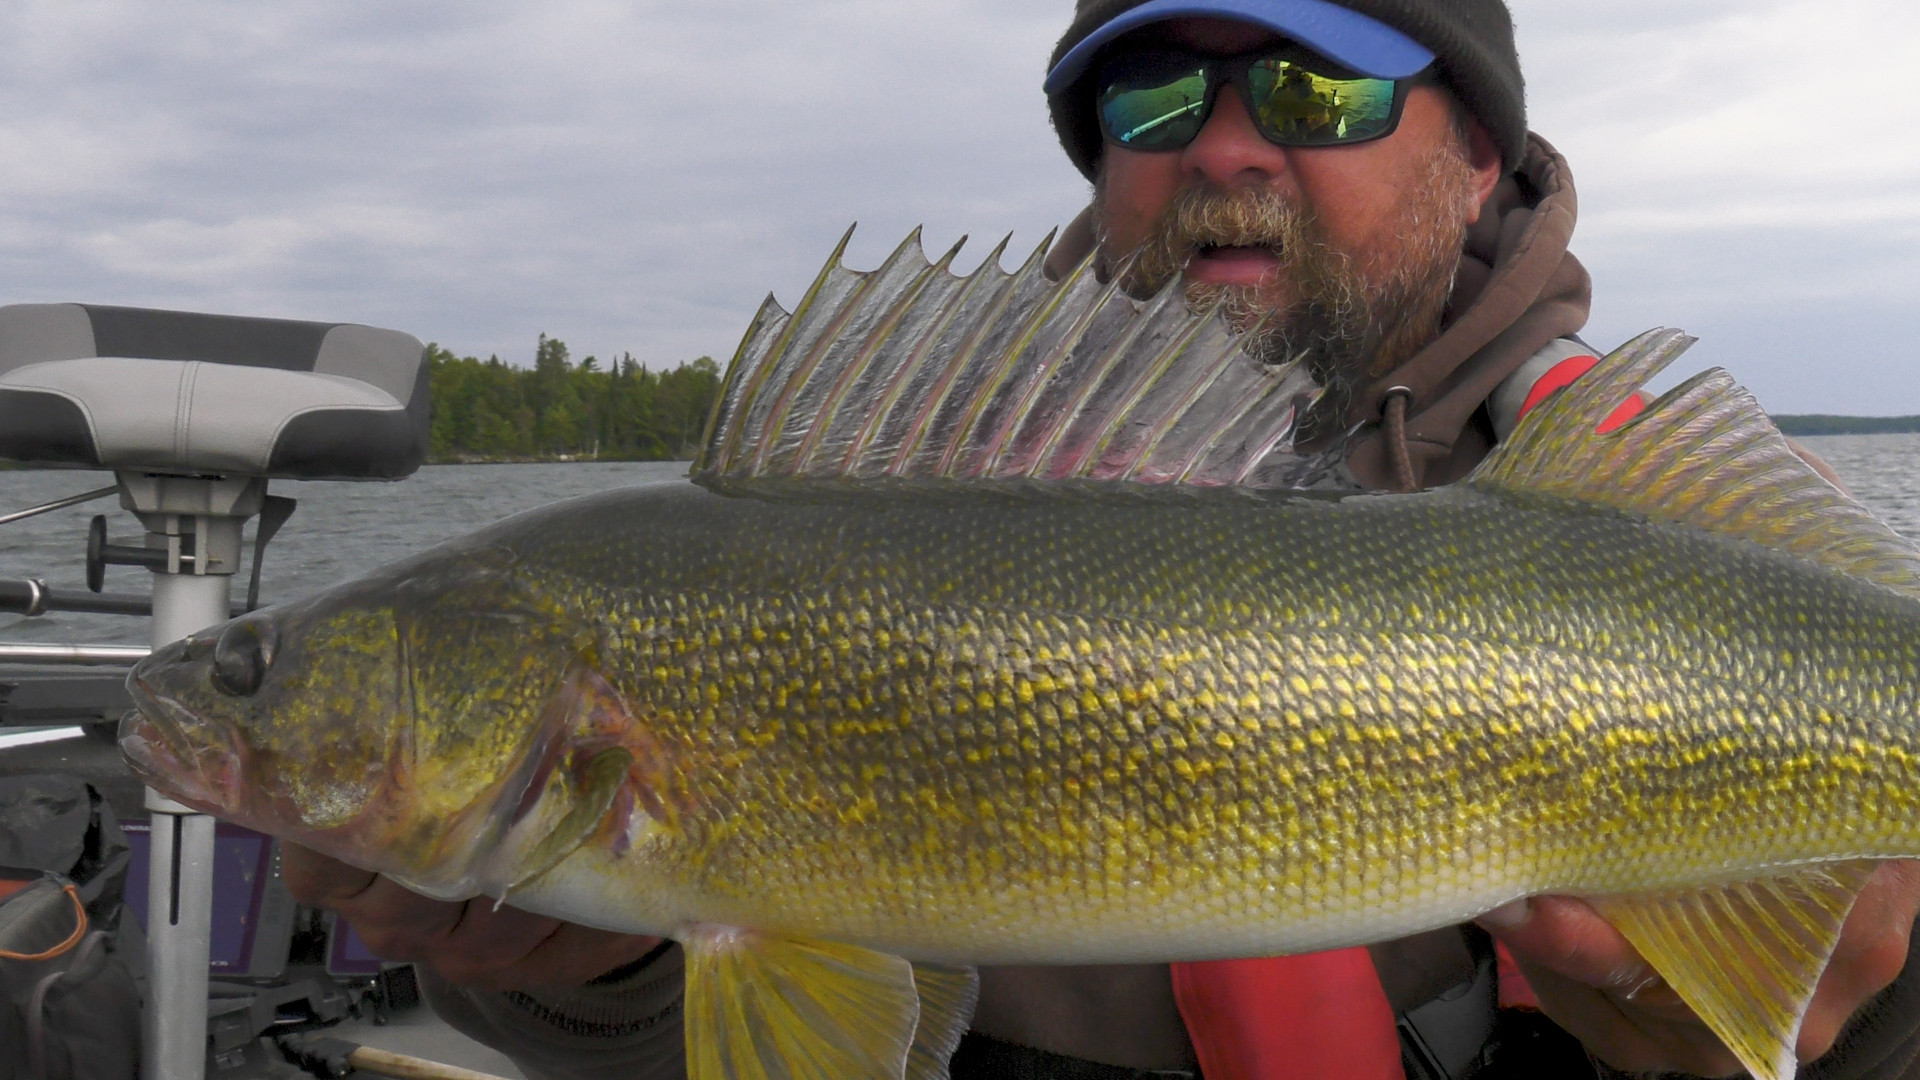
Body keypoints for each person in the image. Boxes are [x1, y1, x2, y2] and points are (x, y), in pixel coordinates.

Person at [284, 1, 1920, 1076]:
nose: (1223, 142)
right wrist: (581, 976)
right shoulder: (890, 484)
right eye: (1149, 89)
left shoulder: (1669, 516)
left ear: (1479, 151)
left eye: (1315, 79)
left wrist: (1850, 1029)